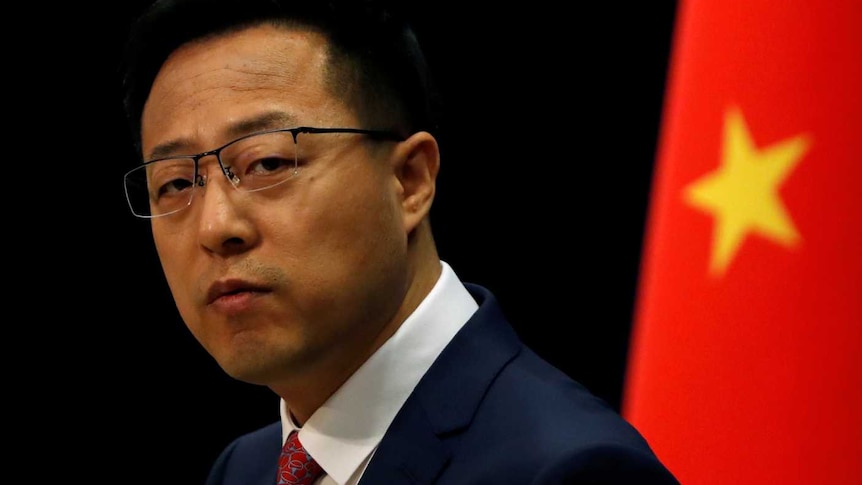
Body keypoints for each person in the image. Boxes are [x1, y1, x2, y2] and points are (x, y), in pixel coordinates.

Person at [119, 0, 680, 483]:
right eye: (175, 183)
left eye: (267, 161)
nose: (216, 226)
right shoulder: (245, 470)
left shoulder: (569, 471)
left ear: (410, 181)